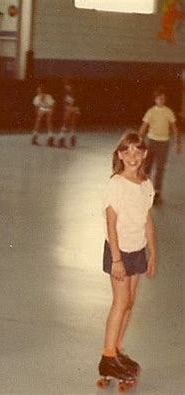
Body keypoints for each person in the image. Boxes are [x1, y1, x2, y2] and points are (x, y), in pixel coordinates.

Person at [97, 131, 157, 391]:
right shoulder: (116, 184)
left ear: (144, 154)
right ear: (120, 155)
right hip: (119, 251)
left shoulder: (146, 185)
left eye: (137, 151)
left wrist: (152, 252)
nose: (132, 156)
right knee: (120, 302)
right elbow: (111, 223)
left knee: (130, 303)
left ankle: (118, 349)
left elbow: (147, 220)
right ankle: (108, 357)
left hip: (138, 249)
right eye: (127, 151)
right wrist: (117, 259)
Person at [138, 87, 181, 205]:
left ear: (165, 99)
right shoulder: (151, 111)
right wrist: (139, 140)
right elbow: (144, 126)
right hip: (151, 142)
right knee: (147, 167)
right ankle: (144, 189)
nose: (161, 100)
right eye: (158, 99)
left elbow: (174, 128)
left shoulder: (168, 112)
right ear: (155, 100)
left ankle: (157, 191)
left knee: (160, 168)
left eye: (163, 98)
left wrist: (177, 143)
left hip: (164, 142)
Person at [58, 79, 80, 148]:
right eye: (66, 86)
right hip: (65, 111)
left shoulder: (73, 94)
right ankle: (62, 138)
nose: (68, 87)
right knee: (66, 121)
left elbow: (74, 104)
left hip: (71, 110)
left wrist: (74, 109)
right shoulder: (64, 95)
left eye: (69, 86)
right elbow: (65, 105)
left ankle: (72, 136)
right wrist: (69, 109)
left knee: (75, 116)